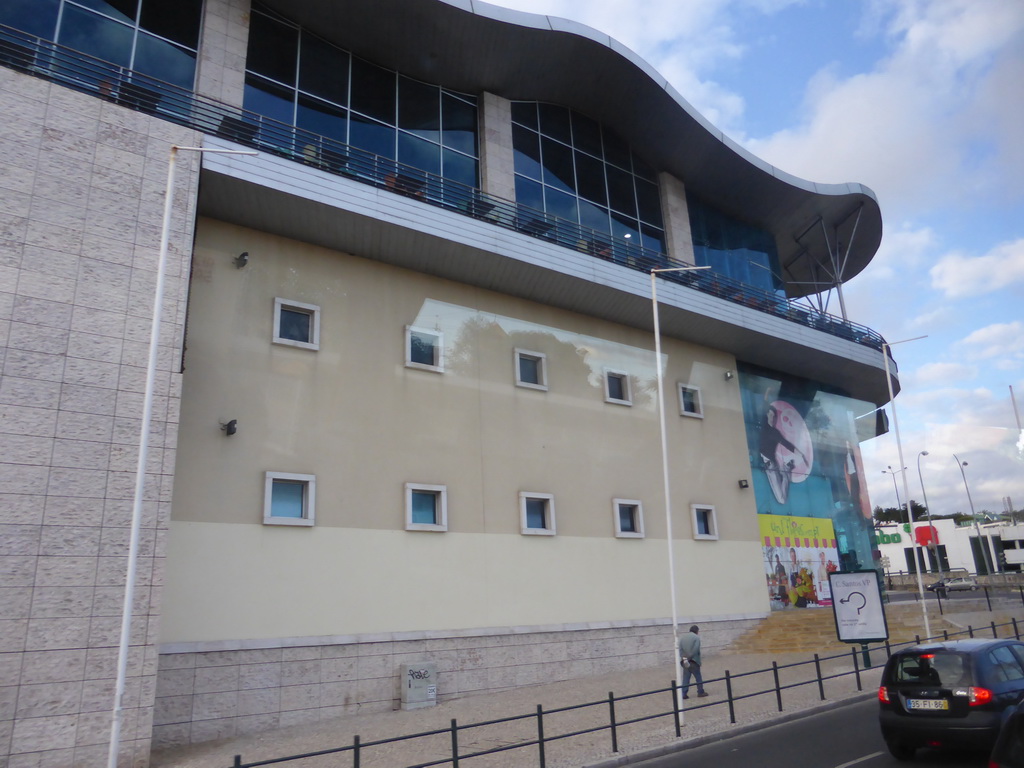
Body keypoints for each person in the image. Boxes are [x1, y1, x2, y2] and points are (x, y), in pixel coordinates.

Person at [677, 625, 709, 699]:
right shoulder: (696, 638)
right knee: (698, 677)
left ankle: (683, 693)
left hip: (684, 660)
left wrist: (684, 658)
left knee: (686, 677)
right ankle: (700, 691)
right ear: (697, 631)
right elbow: (696, 649)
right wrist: (690, 657)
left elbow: (680, 649)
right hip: (693, 661)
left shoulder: (682, 637)